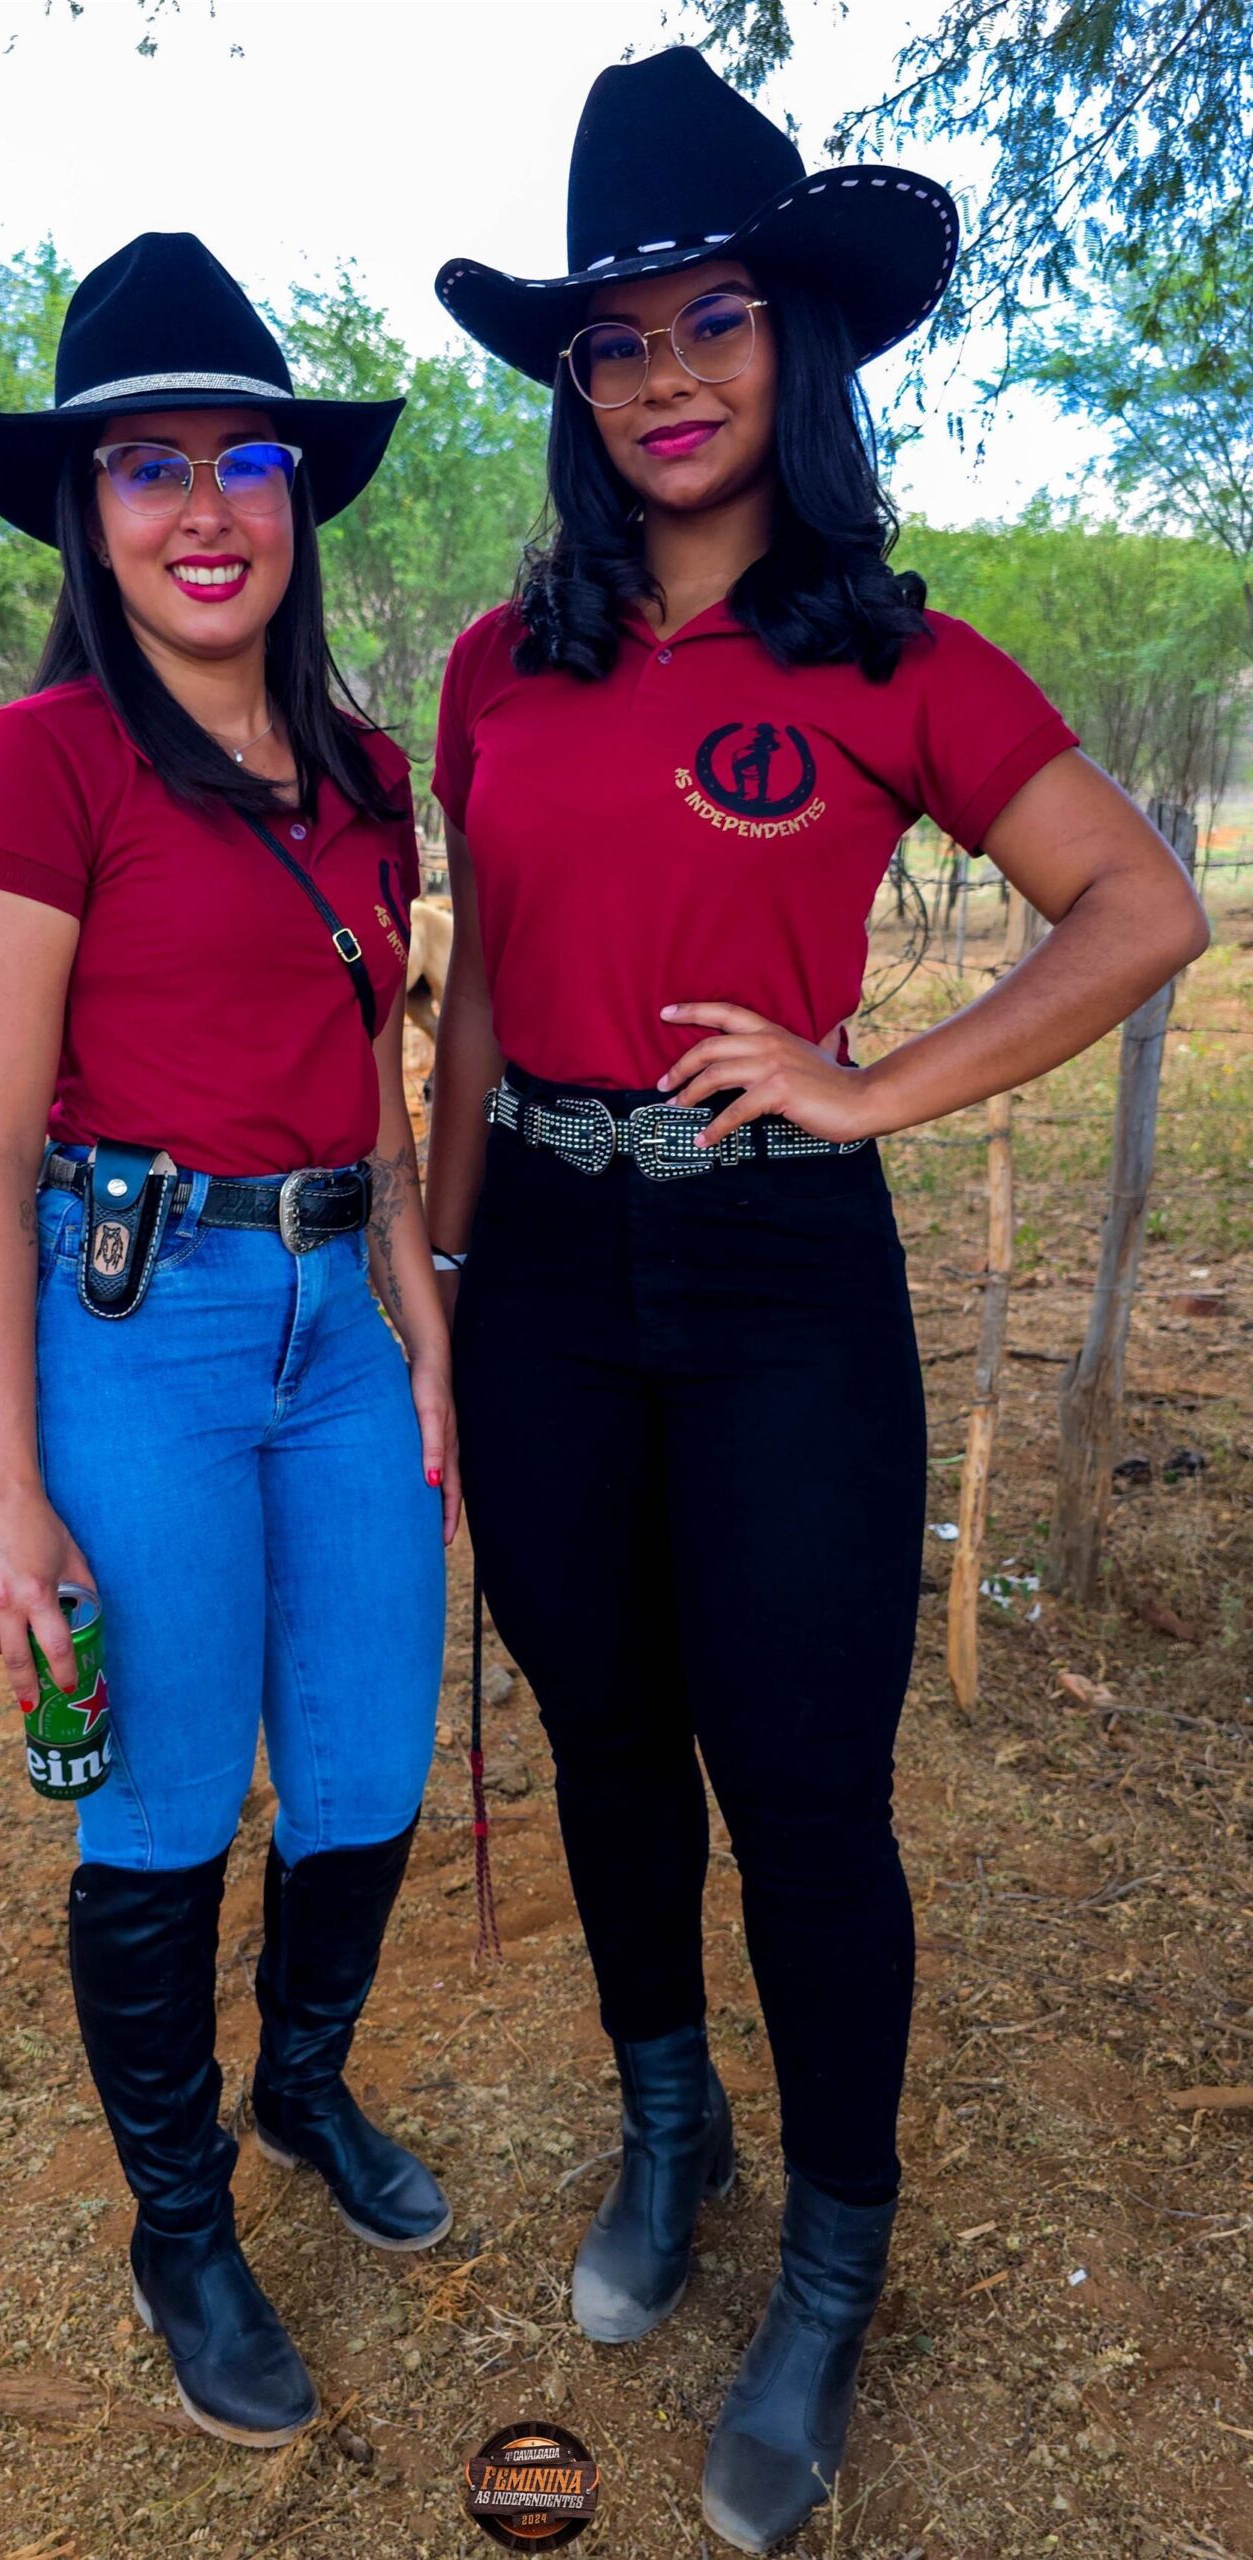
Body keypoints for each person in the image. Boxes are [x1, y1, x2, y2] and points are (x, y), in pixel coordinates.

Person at [427, 50, 1207, 2554]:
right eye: (616, 338)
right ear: (573, 380)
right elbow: (474, 995)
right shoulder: (495, 659)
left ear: (797, 339)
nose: (664, 375)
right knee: (607, 1737)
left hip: (778, 1272)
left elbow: (1140, 904)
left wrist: (873, 1087)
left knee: (800, 1785)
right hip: (543, 1268)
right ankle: (672, 2123)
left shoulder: (891, 653)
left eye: (713, 319)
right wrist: (440, 1267)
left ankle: (835, 2259)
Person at [0, 233, 458, 2449]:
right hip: (136, 1317)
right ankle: (181, 2225)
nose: (207, 507)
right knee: (157, 1799)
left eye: (246, 458)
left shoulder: (364, 771)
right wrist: (0, 1483)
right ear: (88, 509)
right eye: (148, 467)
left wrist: (422, 1319)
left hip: (342, 1322)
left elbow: (373, 1082)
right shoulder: (38, 763)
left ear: (298, 492)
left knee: (367, 1764)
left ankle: (302, 2087)